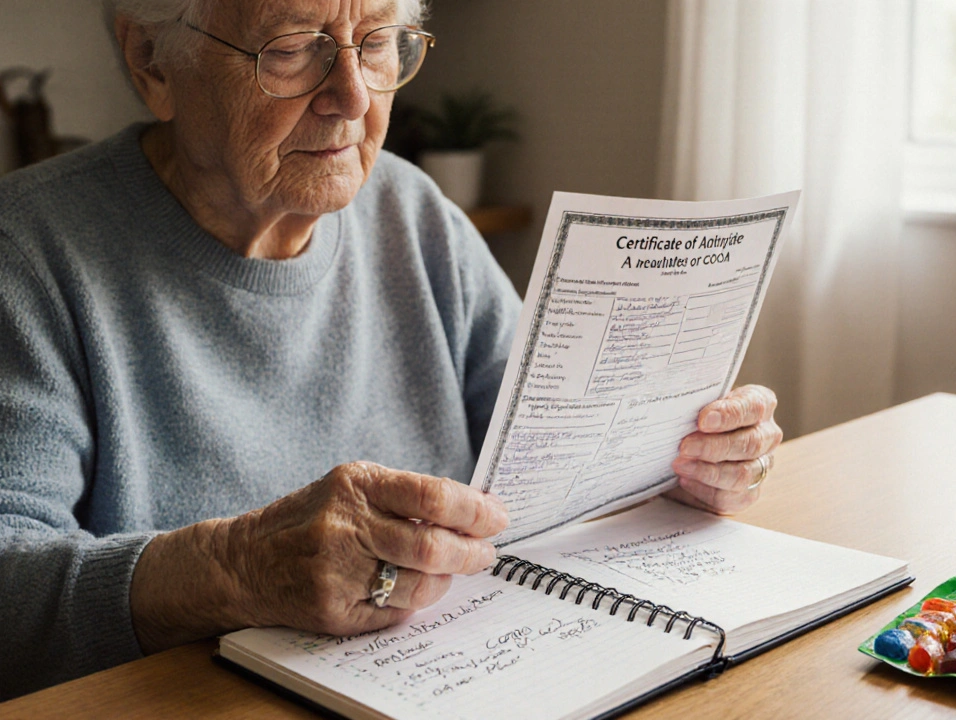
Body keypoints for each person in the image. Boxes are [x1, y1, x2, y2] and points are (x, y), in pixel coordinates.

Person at [0, 0, 783, 699]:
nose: (352, 98)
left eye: (378, 43)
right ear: (150, 61)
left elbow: (553, 451)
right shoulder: (26, 255)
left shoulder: (412, 211)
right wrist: (234, 568)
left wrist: (677, 459)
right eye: (292, 46)